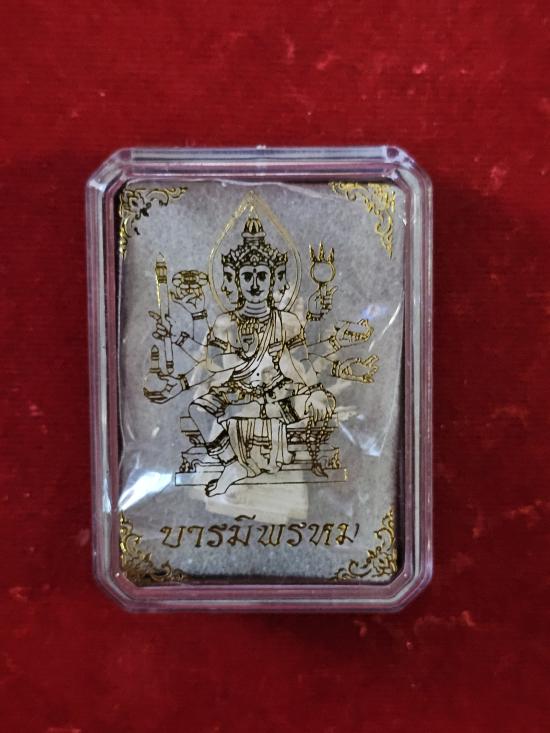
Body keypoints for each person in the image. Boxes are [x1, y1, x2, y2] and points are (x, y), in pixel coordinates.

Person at [156, 215, 334, 497]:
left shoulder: (287, 322)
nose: (254, 284)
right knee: (197, 410)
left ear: (273, 279)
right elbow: (211, 365)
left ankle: (247, 465)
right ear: (235, 280)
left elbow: (301, 364)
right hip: (236, 393)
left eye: (262, 276)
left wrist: (314, 389)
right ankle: (232, 465)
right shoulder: (225, 323)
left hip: (277, 393)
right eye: (247, 276)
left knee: (306, 405)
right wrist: (180, 383)